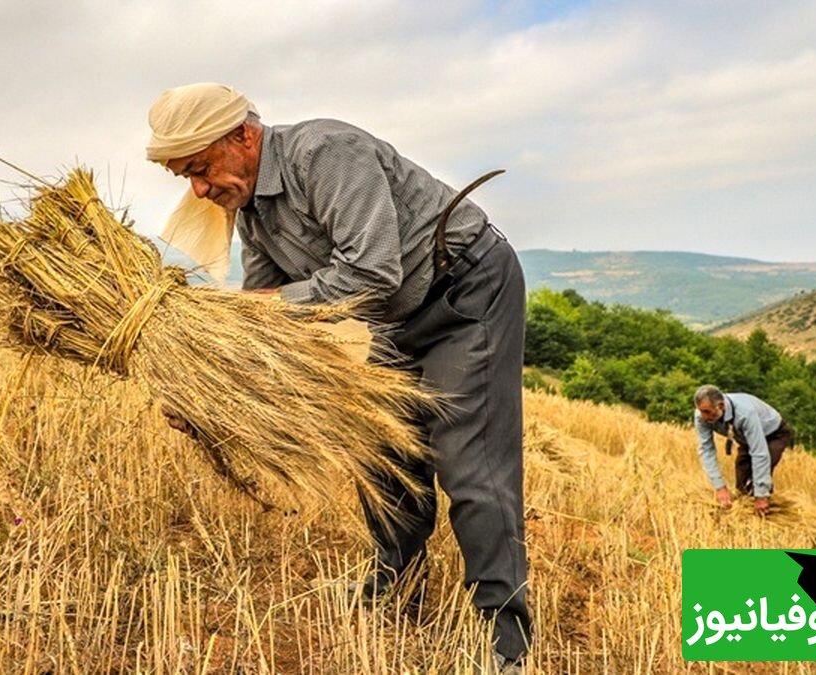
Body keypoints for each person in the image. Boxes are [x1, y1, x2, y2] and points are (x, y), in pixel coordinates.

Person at [145, 82, 531, 668]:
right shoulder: (254, 213)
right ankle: (391, 589)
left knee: (470, 463)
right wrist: (211, 385)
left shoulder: (325, 153)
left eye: (201, 168)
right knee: (383, 454)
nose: (200, 189)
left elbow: (372, 270)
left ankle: (505, 637)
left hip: (463, 291)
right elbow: (266, 319)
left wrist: (266, 308)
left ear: (243, 136)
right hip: (393, 316)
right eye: (187, 179)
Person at [693, 385, 794, 516]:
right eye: (701, 411)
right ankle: (746, 518)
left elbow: (759, 453)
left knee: (756, 479)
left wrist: (761, 495)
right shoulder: (701, 416)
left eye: (706, 412)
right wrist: (720, 487)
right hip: (745, 437)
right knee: (742, 482)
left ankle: (767, 513)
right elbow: (706, 450)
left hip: (773, 434)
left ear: (721, 406)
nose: (703, 416)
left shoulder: (745, 413)